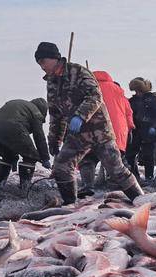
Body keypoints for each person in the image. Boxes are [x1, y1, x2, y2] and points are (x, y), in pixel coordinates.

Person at [35, 42, 142, 204]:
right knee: (61, 168)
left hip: (99, 130)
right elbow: (55, 114)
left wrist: (80, 116)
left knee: (116, 170)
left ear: (54, 58)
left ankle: (141, 200)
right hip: (77, 135)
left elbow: (95, 95)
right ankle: (70, 206)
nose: (41, 66)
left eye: (43, 61)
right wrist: (54, 140)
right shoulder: (51, 83)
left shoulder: (78, 71)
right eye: (39, 63)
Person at [77, 70, 134, 198]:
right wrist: (129, 128)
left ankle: (87, 186)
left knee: (88, 159)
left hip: (93, 130)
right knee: (116, 160)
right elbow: (128, 112)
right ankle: (125, 187)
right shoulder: (118, 90)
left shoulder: (88, 88)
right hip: (116, 131)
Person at [0, 98, 50, 188]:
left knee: (9, 157)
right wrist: (45, 157)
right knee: (31, 156)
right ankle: (24, 188)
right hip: (13, 128)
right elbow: (39, 136)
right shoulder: (36, 112)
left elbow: (14, 140)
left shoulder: (20, 105)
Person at [127, 78, 156, 181]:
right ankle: (134, 176)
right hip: (135, 131)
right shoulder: (132, 101)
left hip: (148, 131)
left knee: (148, 155)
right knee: (131, 154)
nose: (137, 93)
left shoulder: (152, 99)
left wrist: (154, 126)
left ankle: (149, 177)